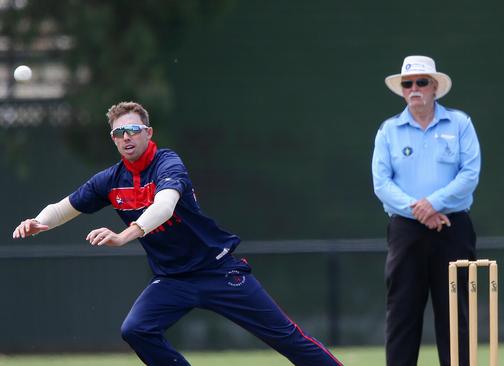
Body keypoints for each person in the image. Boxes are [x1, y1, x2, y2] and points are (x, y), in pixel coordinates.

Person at [12, 101, 342, 366]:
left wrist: (126, 235)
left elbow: (165, 206)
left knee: (285, 337)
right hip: (173, 280)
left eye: (133, 130)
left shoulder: (168, 163)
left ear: (148, 132)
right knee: (136, 330)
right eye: (118, 133)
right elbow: (63, 207)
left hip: (217, 270)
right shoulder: (110, 180)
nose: (126, 137)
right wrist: (40, 221)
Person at [371, 55, 481, 366]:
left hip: (453, 227)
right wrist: (419, 210)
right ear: (402, 90)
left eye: (421, 82)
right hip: (406, 230)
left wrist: (433, 203)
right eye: (408, 84)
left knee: (455, 313)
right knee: (403, 310)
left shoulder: (460, 123)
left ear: (434, 87)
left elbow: (470, 175)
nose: (414, 89)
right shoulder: (389, 130)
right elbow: (381, 183)